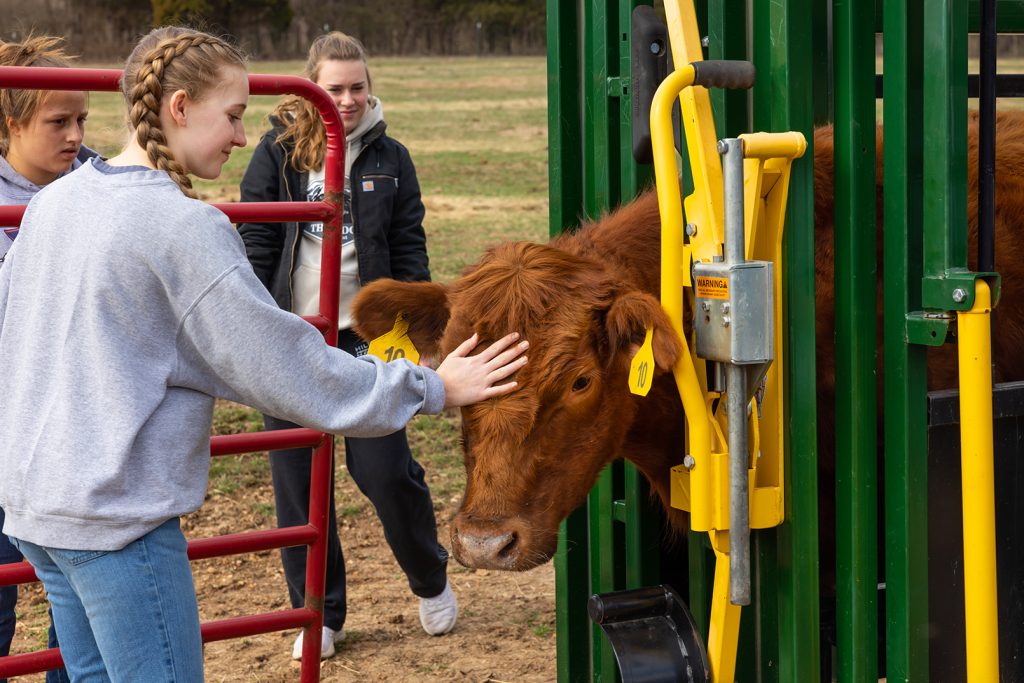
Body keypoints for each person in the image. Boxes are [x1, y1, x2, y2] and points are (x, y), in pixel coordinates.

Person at [0, 26, 528, 682]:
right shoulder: (181, 228)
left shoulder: (56, 202)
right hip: (117, 524)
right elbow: (288, 369)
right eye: (235, 115)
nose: (243, 137)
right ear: (180, 106)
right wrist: (432, 385)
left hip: (39, 515)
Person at [238, 32, 456, 660]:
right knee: (298, 483)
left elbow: (410, 251)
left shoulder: (393, 158)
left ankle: (430, 578)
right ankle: (319, 613)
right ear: (311, 89)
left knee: (386, 472)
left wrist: (420, 332)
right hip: (293, 337)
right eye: (334, 88)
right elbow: (257, 244)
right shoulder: (278, 155)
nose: (348, 98)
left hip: (369, 339)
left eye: (357, 86)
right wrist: (260, 324)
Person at [0, 34, 93, 683]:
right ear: (11, 122)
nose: (75, 135)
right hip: (4, 431)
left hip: (74, 435)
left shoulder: (101, 184)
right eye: (58, 121)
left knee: (82, 610)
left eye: (82, 119)